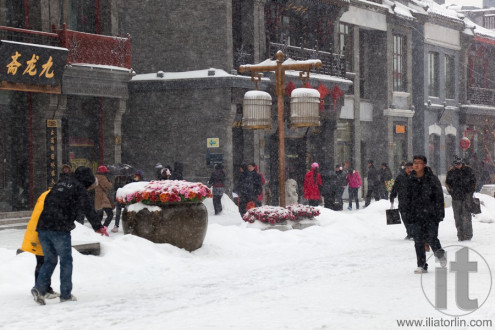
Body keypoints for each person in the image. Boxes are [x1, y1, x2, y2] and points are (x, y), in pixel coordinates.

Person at [31, 166, 108, 305]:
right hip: (60, 228)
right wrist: (98, 227)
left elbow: (47, 202)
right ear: (88, 180)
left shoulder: (60, 183)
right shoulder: (79, 188)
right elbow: (88, 209)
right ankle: (66, 295)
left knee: (50, 260)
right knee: (66, 262)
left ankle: (39, 288)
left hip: (43, 227)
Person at [404, 155, 446, 274]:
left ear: (424, 165)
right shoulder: (410, 180)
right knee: (418, 240)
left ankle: (440, 256)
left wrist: (439, 214)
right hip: (416, 215)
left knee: (432, 238)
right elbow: (407, 198)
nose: (416, 165)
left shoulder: (432, 179)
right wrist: (407, 213)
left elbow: (439, 198)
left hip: (431, 215)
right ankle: (421, 265)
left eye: (419, 162)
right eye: (414, 162)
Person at [21, 190, 59, 300]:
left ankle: (42, 287)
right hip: (41, 232)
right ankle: (42, 289)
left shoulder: (45, 195)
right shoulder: (51, 197)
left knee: (42, 261)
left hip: (37, 231)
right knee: (45, 262)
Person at [445, 156, 477, 241]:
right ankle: (460, 235)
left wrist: (470, 192)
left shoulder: (468, 170)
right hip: (456, 197)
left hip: (467, 196)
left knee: (466, 216)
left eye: (459, 164)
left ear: (462, 163)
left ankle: (468, 235)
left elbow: (474, 182)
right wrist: (452, 192)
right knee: (457, 217)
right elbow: (447, 183)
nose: (458, 166)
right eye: (456, 164)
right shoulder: (451, 172)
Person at [390, 161, 414, 240]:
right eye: (408, 168)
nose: (410, 170)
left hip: (413, 202)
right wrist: (392, 197)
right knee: (404, 217)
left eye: (411, 168)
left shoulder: (416, 177)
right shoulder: (400, 177)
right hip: (403, 201)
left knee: (412, 218)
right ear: (406, 168)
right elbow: (395, 188)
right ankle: (409, 232)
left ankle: (413, 233)